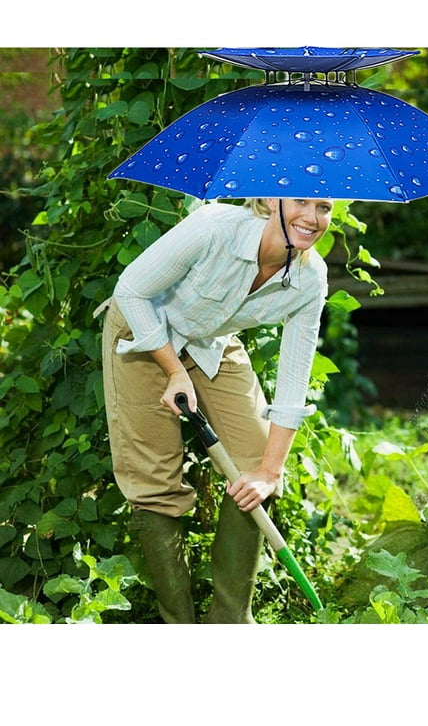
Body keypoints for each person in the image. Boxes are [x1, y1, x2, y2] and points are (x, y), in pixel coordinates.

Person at [99, 196, 334, 623]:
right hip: (140, 330)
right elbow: (130, 291)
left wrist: (269, 472)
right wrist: (173, 370)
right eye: (301, 201)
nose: (312, 218)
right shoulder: (214, 227)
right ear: (268, 200)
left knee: (257, 459)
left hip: (209, 341)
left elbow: (294, 378)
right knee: (154, 480)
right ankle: (181, 625)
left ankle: (228, 623)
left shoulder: (310, 278)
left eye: (324, 207)